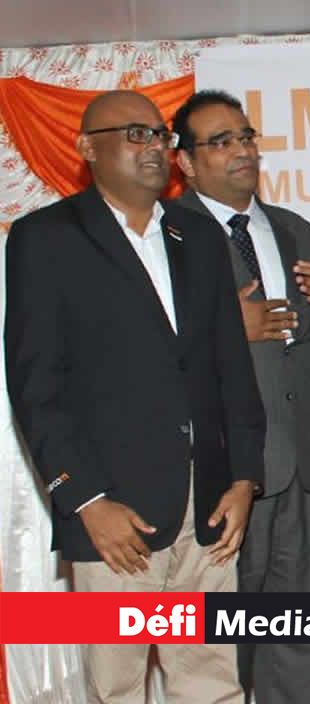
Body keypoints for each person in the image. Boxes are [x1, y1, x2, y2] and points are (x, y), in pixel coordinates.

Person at [4, 90, 265, 703]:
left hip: (209, 504)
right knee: (117, 685)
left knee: (213, 680)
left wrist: (244, 478)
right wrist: (87, 500)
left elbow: (231, 367)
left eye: (159, 135)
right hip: (115, 515)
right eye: (134, 134)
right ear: (87, 148)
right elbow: (36, 386)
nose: (153, 147)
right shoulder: (47, 237)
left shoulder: (196, 236)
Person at [170, 89, 310, 703]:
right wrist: (224, 329)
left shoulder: (296, 230)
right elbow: (140, 352)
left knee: (297, 635)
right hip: (221, 470)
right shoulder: (167, 234)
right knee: (219, 643)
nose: (241, 150)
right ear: (185, 162)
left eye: (245, 136)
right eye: (220, 141)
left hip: (302, 464)